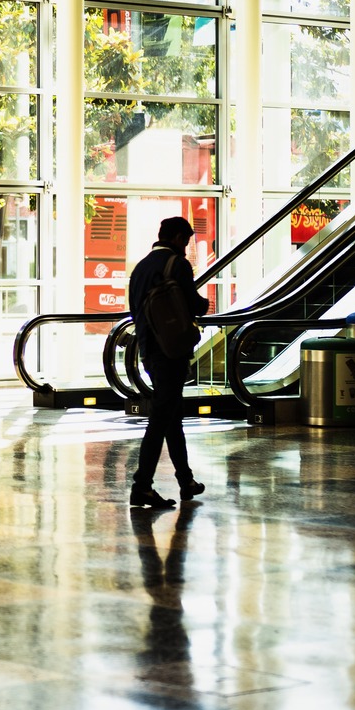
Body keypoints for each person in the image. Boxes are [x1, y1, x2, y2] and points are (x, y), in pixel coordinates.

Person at [128, 216, 210, 509]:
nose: (187, 247)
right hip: (171, 352)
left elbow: (136, 311)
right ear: (176, 238)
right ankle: (142, 486)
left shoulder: (140, 268)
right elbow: (193, 303)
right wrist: (205, 305)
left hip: (150, 351)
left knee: (172, 418)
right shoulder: (177, 265)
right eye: (186, 241)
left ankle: (186, 481)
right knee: (161, 420)